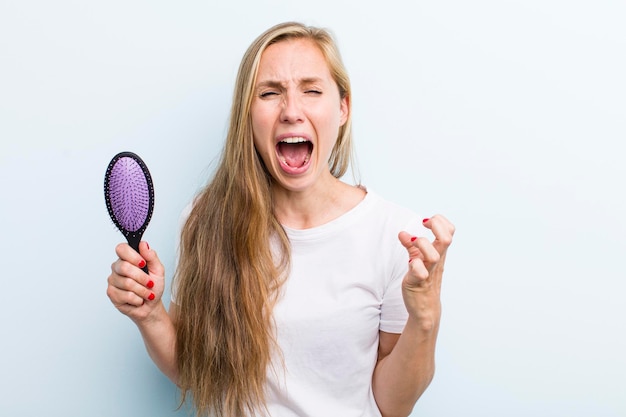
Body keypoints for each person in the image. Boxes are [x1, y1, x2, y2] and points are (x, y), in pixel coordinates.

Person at [107, 21, 455, 417]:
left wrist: (424, 318)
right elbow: (194, 372)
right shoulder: (205, 220)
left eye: (311, 90)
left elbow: (394, 405)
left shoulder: (395, 236)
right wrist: (150, 315)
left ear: (343, 108)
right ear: (247, 115)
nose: (291, 111)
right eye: (270, 93)